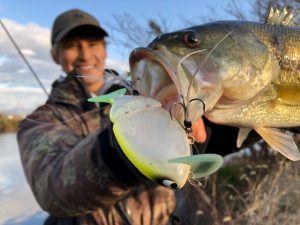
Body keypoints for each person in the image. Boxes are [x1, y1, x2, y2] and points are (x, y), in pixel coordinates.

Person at [17, 9, 219, 225]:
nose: (85, 55)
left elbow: (210, 141)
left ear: (104, 49)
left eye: (93, 44)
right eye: (72, 46)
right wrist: (127, 145)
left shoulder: (149, 88)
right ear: (55, 54)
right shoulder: (39, 121)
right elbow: (51, 190)